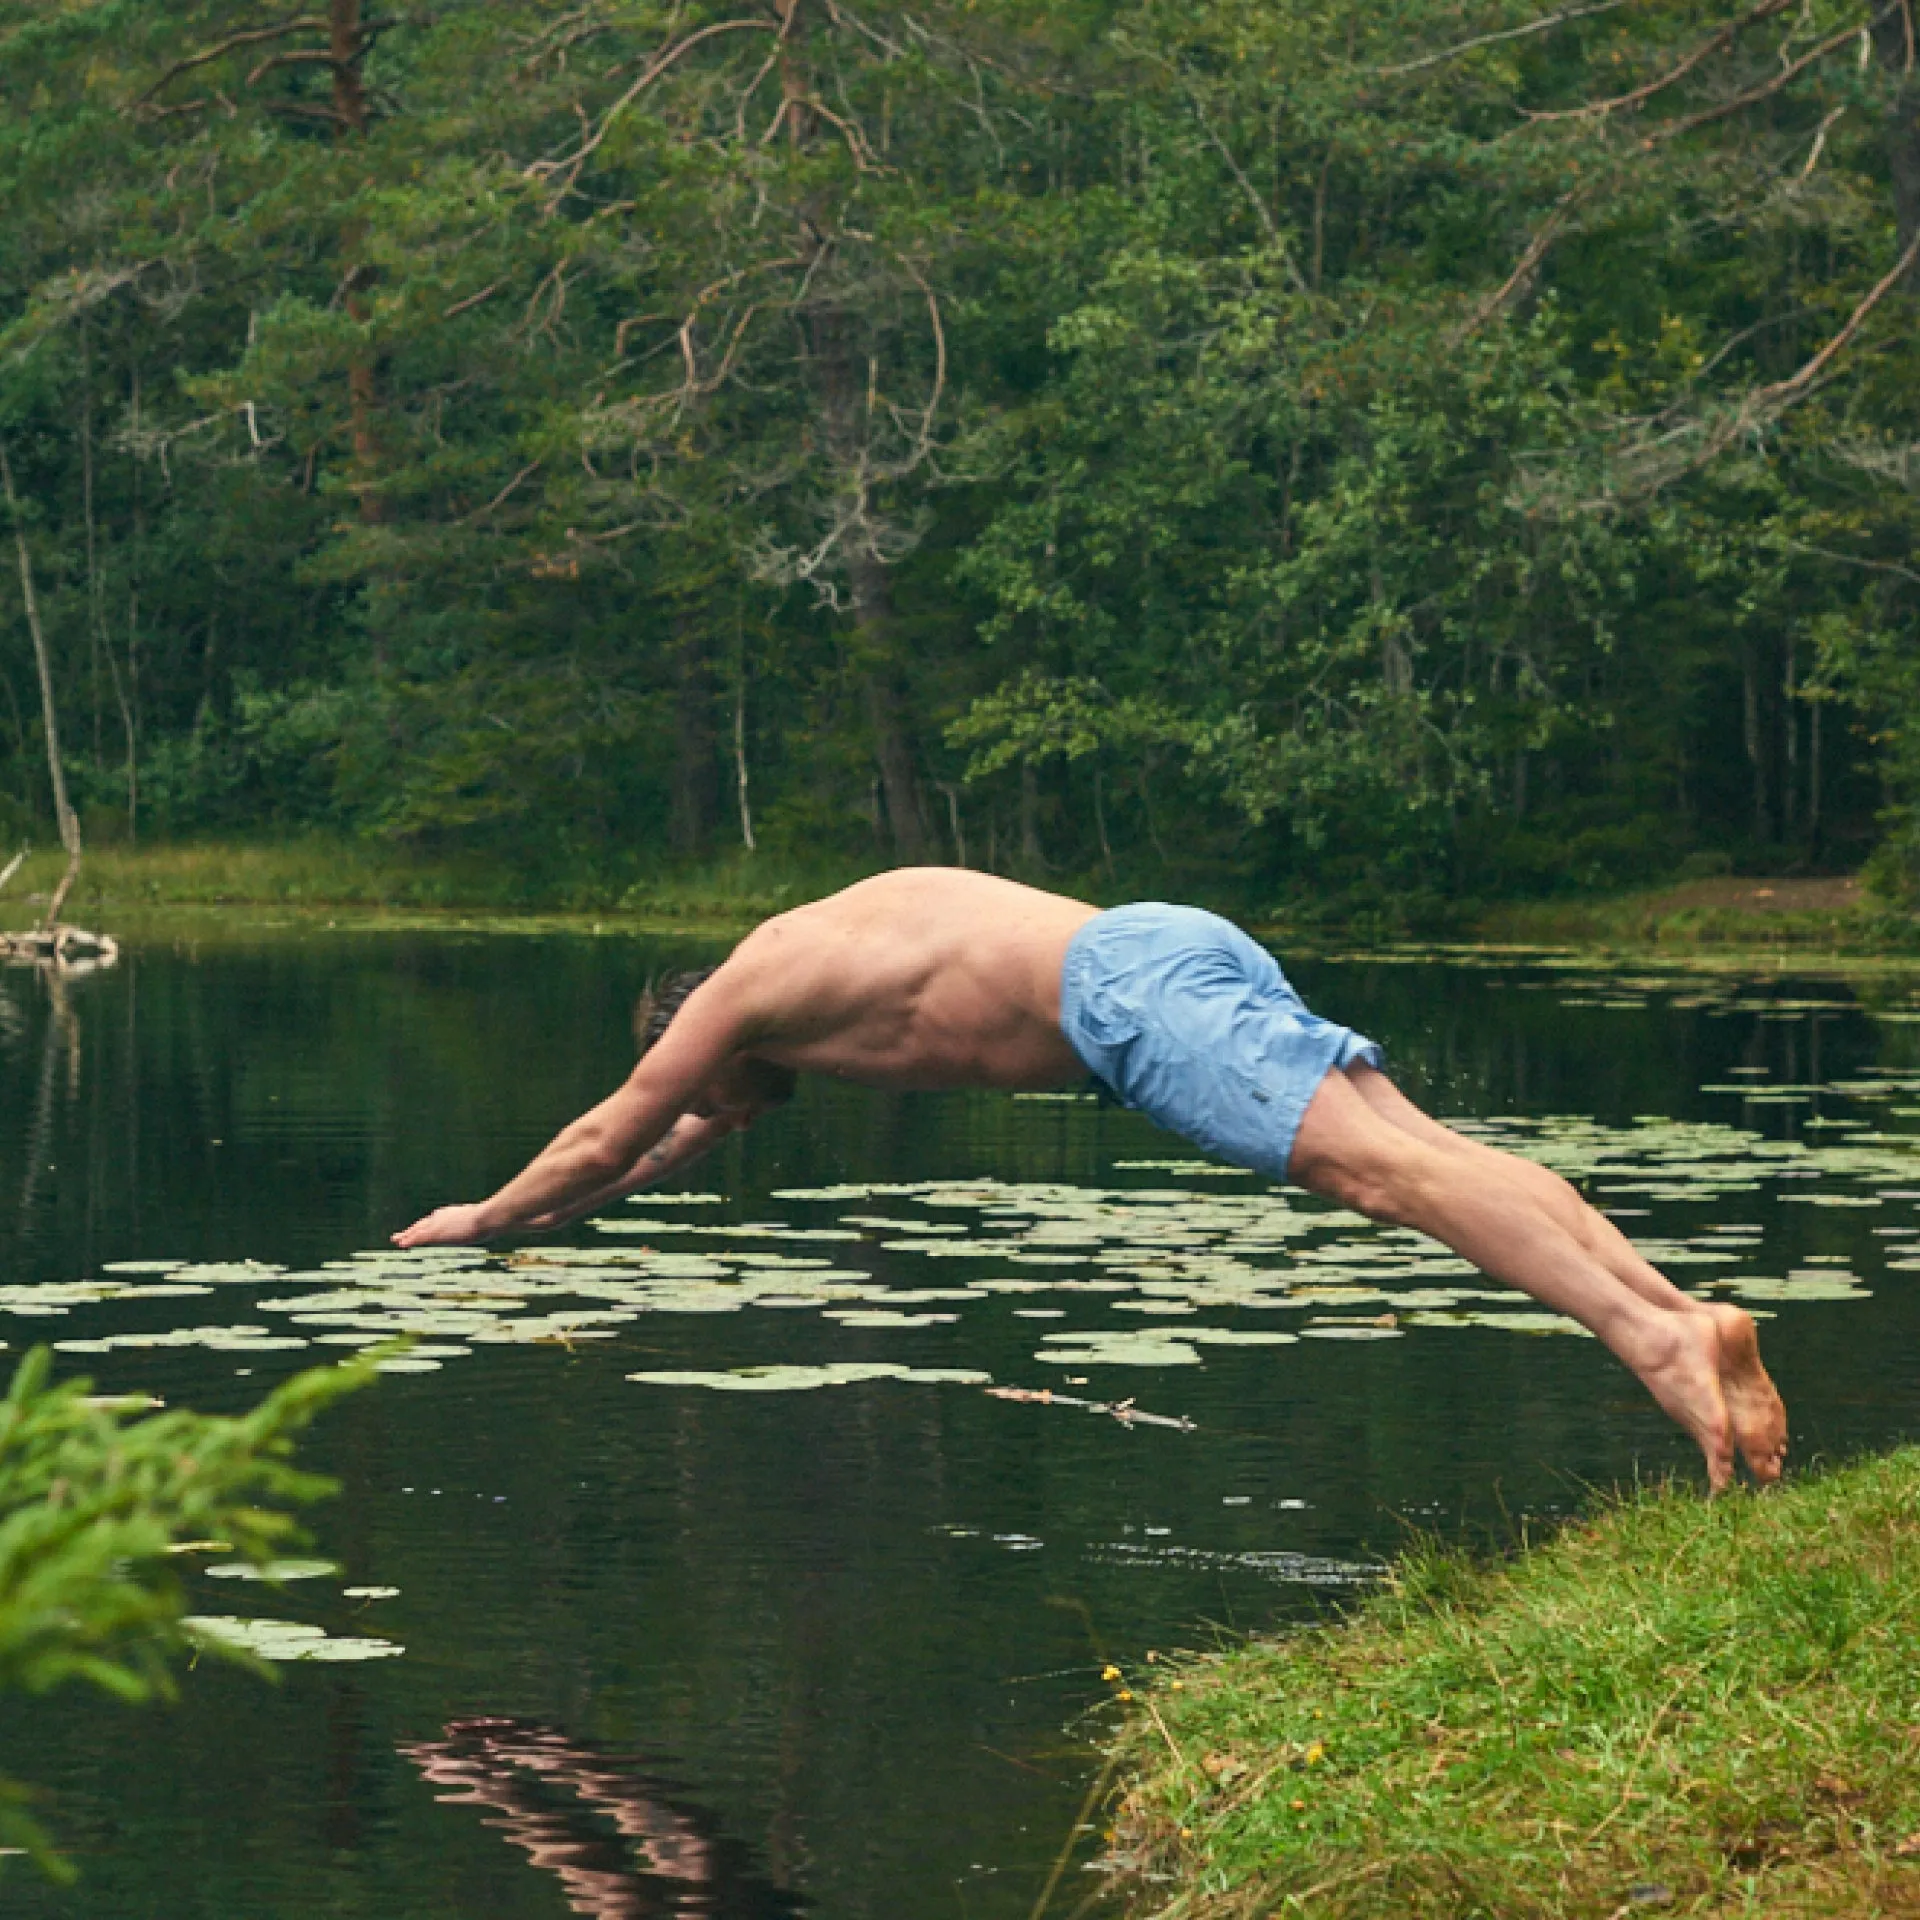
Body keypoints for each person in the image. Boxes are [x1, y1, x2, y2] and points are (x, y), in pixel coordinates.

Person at [395, 869, 1786, 1491]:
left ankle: (1650, 1338)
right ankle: (1685, 1315)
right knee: (1431, 1152)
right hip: (1161, 943)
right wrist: (534, 1236)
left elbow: (611, 1132)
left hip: (1120, 998)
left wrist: (477, 1213)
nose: (716, 1119)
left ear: (690, 1034)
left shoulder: (739, 996)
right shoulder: (800, 973)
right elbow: (652, 1154)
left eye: (696, 1088)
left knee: (1387, 1183)